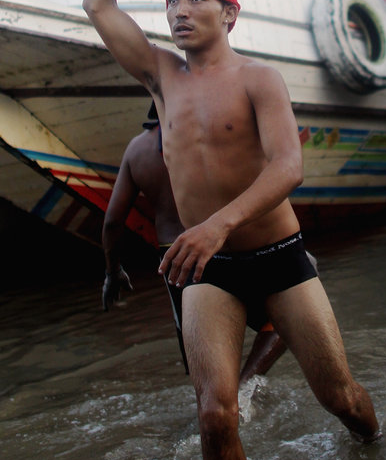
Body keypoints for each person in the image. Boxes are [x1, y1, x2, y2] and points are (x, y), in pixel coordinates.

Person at [83, 0, 379, 460]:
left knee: (342, 401)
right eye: (170, 1)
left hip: (279, 261)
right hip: (207, 271)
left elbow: (286, 169)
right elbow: (99, 8)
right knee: (215, 414)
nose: (179, 11)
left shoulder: (259, 80)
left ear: (229, 13)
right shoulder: (163, 78)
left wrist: (218, 222)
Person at [101, 107, 287, 385]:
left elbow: (112, 223)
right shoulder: (206, 133)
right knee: (284, 320)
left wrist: (112, 271)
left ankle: (220, 405)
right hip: (221, 243)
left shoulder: (137, 149)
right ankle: (245, 386)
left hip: (175, 257)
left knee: (202, 364)